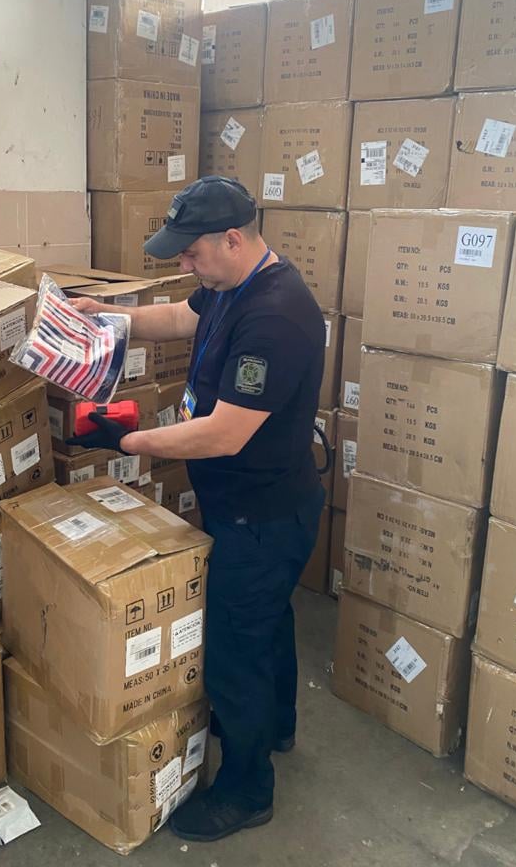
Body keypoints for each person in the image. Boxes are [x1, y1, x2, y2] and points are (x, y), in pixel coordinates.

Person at [69, 176, 326, 842]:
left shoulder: (275, 317)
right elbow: (183, 319)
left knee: (236, 650)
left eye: (191, 252)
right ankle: (277, 727)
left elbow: (224, 434)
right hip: (250, 506)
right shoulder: (229, 284)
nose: (185, 264)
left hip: (261, 517)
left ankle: (246, 789)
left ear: (233, 239)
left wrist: (127, 440)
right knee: (266, 623)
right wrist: (110, 316)